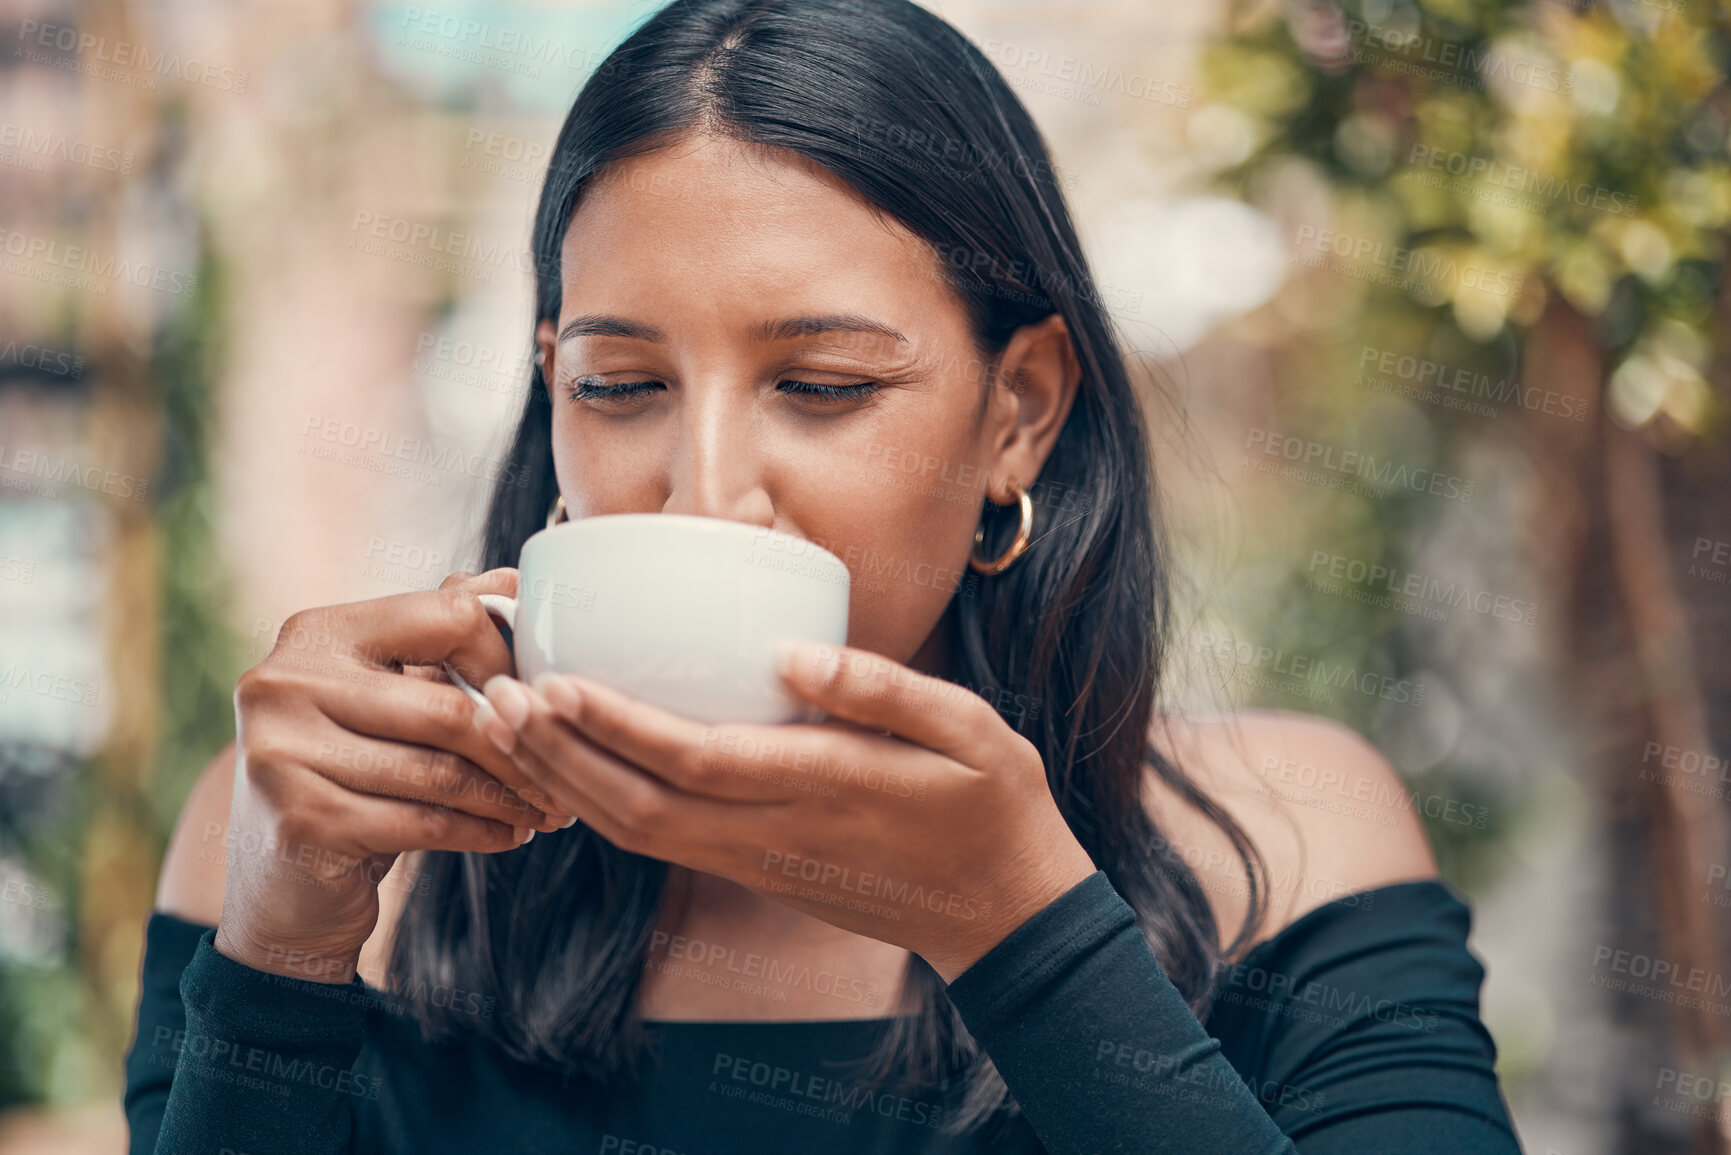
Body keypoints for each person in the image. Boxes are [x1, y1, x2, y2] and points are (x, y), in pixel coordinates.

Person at [123, 0, 1524, 1151]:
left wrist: (1021, 925)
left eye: (822, 381)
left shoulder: (1287, 843)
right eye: (620, 384)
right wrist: (280, 951)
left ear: (1018, 410)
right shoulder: (319, 842)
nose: (707, 491)